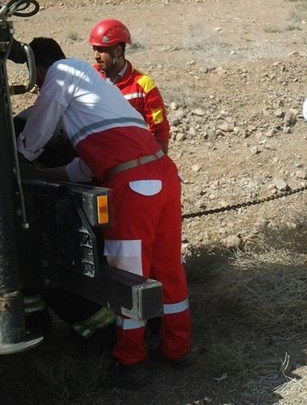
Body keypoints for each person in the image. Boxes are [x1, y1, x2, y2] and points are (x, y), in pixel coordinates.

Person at [17, 37, 190, 389]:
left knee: (127, 275)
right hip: (163, 175)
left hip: (134, 185)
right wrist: (51, 176)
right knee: (167, 268)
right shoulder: (96, 92)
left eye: (35, 79)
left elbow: (38, 129)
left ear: (38, 67)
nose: (37, 87)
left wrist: (21, 158)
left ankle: (130, 361)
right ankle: (177, 349)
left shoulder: (62, 73)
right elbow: (87, 164)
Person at [88, 19, 171, 154]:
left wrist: (159, 165)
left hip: (132, 157)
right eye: (95, 49)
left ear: (118, 50)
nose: (96, 56)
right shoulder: (90, 78)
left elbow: (159, 131)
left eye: (102, 50)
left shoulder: (143, 85)